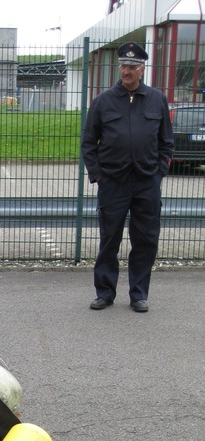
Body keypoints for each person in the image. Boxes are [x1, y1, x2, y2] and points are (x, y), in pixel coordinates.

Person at [81, 42, 174, 313]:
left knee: (145, 240)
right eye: (123, 66)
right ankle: (105, 292)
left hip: (147, 182)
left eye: (132, 67)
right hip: (113, 182)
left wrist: (159, 172)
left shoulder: (157, 100)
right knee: (110, 239)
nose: (126, 71)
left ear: (142, 69)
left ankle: (138, 295)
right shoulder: (103, 102)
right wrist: (98, 174)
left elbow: (166, 142)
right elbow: (89, 143)